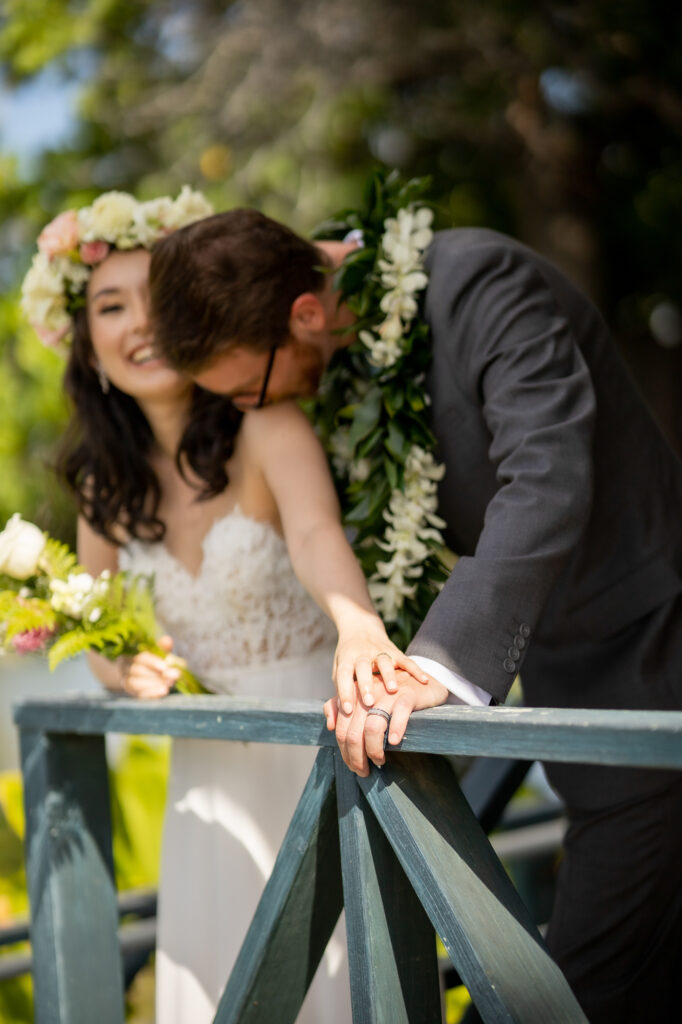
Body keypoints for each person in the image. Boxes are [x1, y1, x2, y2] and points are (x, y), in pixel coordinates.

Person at [147, 200, 682, 1023]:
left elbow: (546, 475)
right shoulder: (351, 342)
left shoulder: (479, 282)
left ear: (307, 313)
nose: (257, 409)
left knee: (563, 993)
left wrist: (437, 664)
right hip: (573, 701)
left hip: (649, 669)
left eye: (252, 386)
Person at [21, 188, 428, 1024]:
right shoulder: (104, 488)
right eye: (110, 305)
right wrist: (118, 665)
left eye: (156, 302)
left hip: (324, 749)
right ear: (86, 345)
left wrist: (358, 625)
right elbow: (97, 629)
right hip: (205, 790)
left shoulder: (268, 426)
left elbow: (317, 537)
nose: (140, 324)